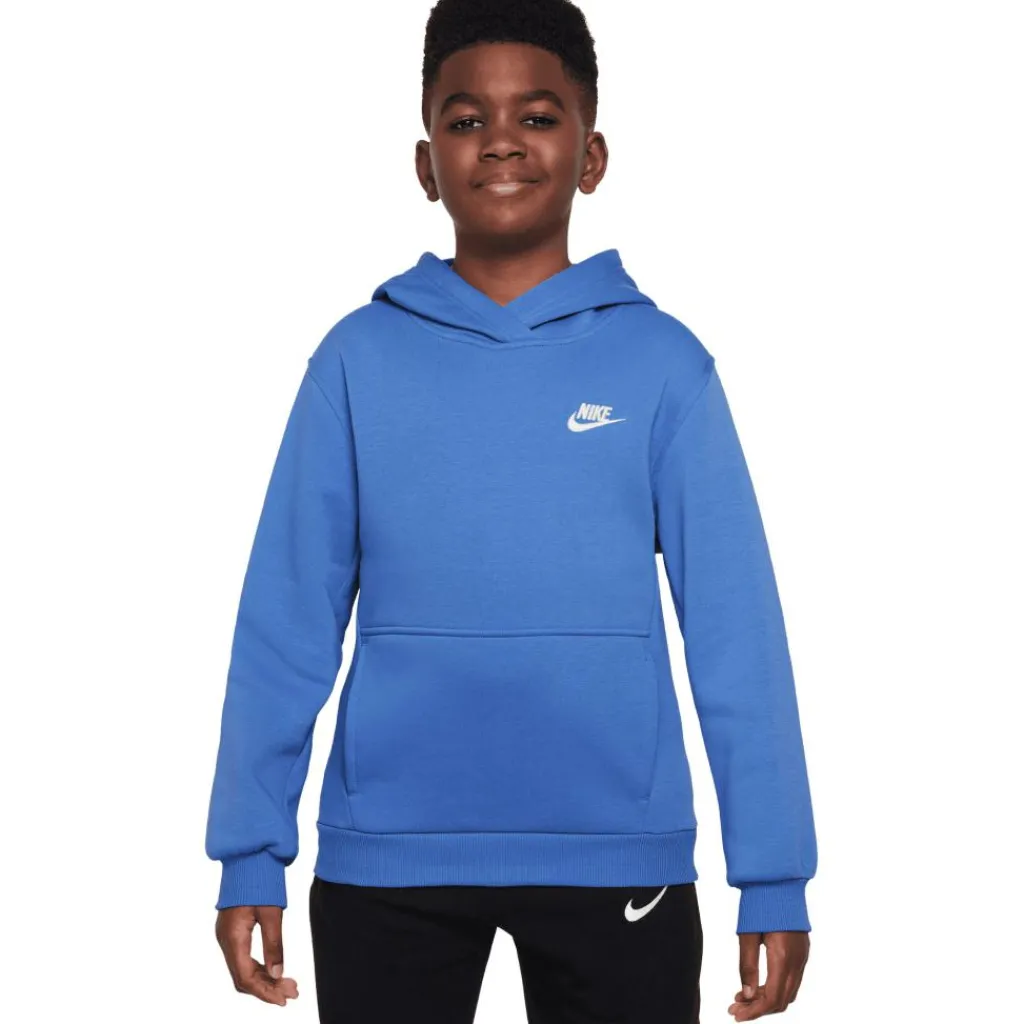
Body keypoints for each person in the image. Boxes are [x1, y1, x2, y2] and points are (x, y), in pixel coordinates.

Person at [205, 1, 818, 1020]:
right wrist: (249, 855)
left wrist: (774, 874)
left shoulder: (663, 365)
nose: (499, 141)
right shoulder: (356, 360)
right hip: (387, 859)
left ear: (591, 155)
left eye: (536, 116)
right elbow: (284, 622)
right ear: (425, 163)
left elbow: (735, 632)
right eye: (465, 119)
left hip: (617, 853)